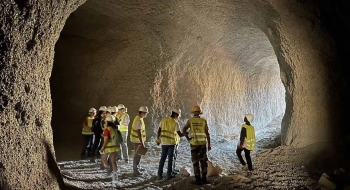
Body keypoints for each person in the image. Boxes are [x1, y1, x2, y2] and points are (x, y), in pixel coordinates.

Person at [182, 105, 211, 185]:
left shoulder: (190, 121)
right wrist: (209, 144)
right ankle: (204, 179)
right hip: (202, 144)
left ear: (193, 113)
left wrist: (188, 139)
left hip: (194, 144)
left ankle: (197, 180)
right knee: (203, 162)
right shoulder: (204, 121)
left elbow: (184, 130)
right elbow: (207, 133)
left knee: (195, 162)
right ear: (199, 113)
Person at [156, 108, 183, 180]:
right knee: (170, 159)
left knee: (162, 158)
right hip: (171, 144)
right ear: (176, 114)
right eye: (178, 115)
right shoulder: (175, 123)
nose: (178, 117)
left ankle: (159, 174)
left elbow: (159, 130)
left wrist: (158, 139)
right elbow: (180, 134)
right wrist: (187, 133)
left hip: (164, 142)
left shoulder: (163, 120)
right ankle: (169, 175)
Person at [100, 115, 120, 182]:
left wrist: (102, 147)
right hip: (116, 147)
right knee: (113, 161)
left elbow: (106, 140)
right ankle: (115, 175)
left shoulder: (107, 129)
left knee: (103, 159)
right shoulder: (115, 128)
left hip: (109, 147)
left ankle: (109, 169)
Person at [130, 106, 149, 175]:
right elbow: (139, 132)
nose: (146, 114)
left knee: (139, 154)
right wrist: (142, 142)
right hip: (137, 140)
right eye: (146, 113)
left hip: (135, 140)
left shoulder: (138, 118)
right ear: (143, 113)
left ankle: (137, 167)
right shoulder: (139, 120)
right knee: (137, 155)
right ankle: (136, 169)